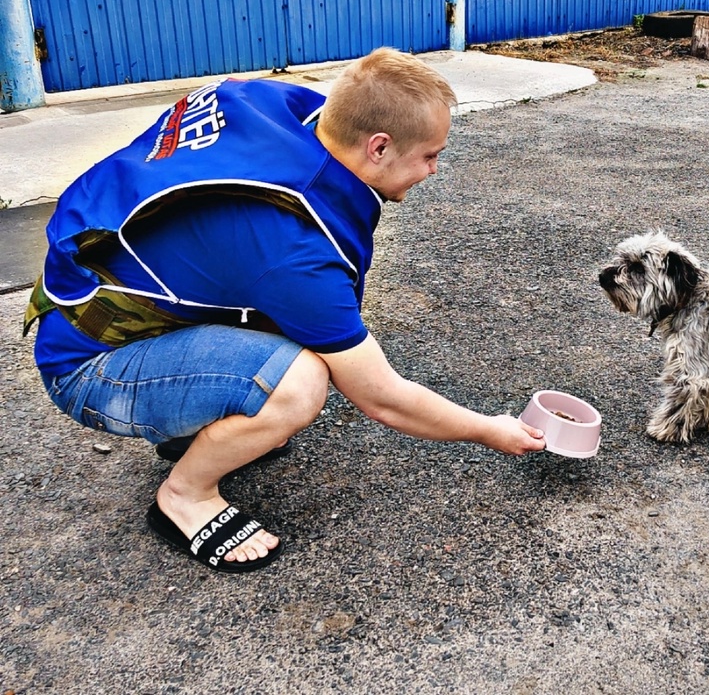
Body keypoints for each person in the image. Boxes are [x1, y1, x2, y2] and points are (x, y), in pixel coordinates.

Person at [25, 47, 546, 573]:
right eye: (430, 155)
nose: (433, 170)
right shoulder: (294, 254)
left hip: (110, 300)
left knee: (301, 341)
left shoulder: (282, 106)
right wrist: (488, 429)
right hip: (90, 367)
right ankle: (185, 494)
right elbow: (383, 399)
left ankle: (203, 425)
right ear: (380, 146)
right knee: (298, 384)